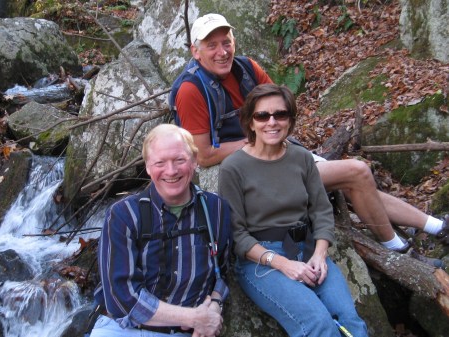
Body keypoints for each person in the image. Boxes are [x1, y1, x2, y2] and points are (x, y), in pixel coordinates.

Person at [169, 13, 448, 265]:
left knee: (357, 181)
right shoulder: (192, 90)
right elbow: (203, 155)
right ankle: (400, 252)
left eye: (226, 42)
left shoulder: (247, 69)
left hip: (274, 153)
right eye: (211, 45)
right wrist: (257, 142)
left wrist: (272, 138)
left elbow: (282, 108)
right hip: (245, 171)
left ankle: (437, 227)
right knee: (357, 171)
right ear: (196, 51)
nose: (222, 51)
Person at [218, 83, 368, 337]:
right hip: (262, 260)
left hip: (308, 249)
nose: (272, 122)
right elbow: (237, 235)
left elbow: (321, 211)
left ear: (290, 120)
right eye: (262, 115)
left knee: (350, 321)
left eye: (281, 114)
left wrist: (320, 255)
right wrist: (283, 264)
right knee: (318, 324)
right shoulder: (233, 168)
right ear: (250, 123)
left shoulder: (302, 158)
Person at [89, 124, 232, 337]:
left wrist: (215, 305)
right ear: (148, 167)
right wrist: (193, 318)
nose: (171, 171)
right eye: (160, 163)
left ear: (194, 161)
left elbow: (223, 271)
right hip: (123, 329)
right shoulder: (123, 214)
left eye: (180, 160)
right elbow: (120, 298)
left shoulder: (216, 209)